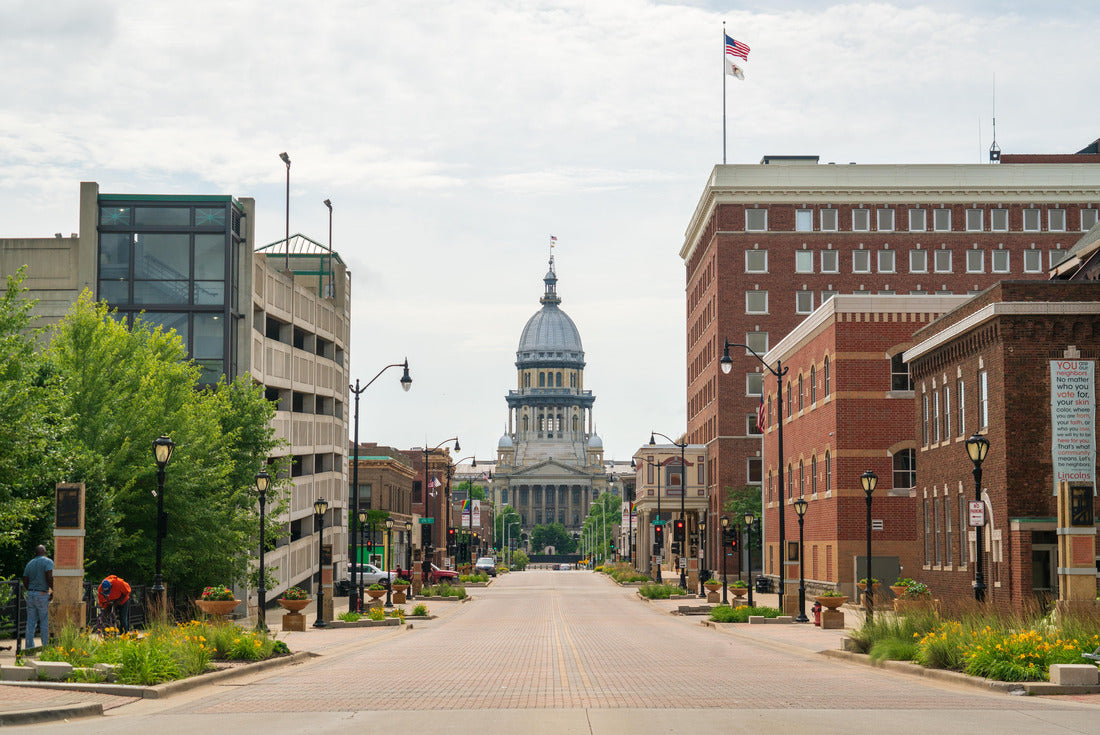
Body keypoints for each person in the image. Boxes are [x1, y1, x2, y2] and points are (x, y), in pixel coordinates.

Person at [21, 545, 53, 649]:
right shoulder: (48, 562)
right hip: (42, 594)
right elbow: (49, 577)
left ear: (36, 553)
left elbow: (25, 580)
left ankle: (29, 647)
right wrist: (54, 589)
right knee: (44, 621)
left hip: (31, 594)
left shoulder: (30, 563)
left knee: (30, 622)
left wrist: (30, 589)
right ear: (45, 552)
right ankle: (45, 646)